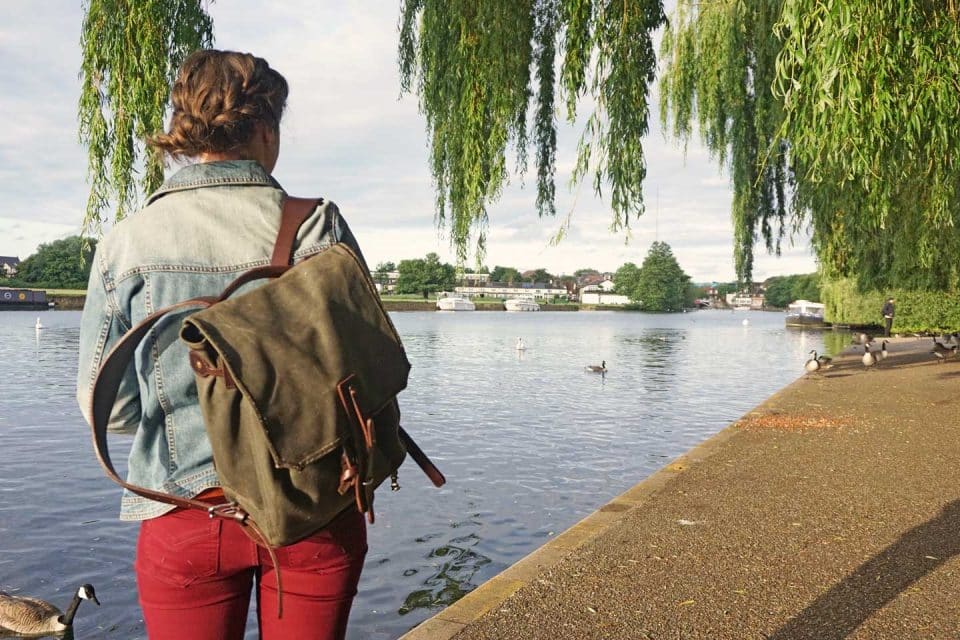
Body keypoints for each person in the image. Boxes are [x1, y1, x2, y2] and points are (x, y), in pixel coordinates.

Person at [76, 50, 367, 640]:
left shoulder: (127, 243)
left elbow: (109, 409)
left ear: (186, 130)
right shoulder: (316, 226)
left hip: (182, 511)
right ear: (265, 128)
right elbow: (361, 372)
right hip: (310, 509)